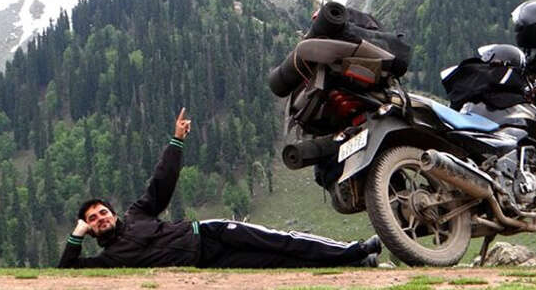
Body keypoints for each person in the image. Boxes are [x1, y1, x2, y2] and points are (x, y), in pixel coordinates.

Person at [58, 108, 382, 268]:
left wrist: (177, 140)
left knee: (281, 241)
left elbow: (162, 180)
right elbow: (66, 272)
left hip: (211, 233)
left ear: (112, 213)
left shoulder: (137, 214)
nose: (101, 217)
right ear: (91, 228)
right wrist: (76, 235)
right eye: (94, 218)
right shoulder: (110, 260)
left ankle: (354, 249)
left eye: (102, 212)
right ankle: (355, 264)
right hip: (209, 261)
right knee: (276, 263)